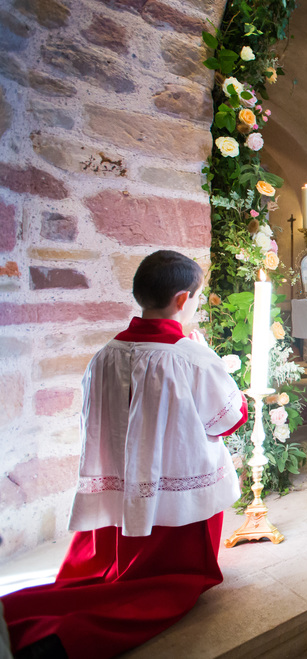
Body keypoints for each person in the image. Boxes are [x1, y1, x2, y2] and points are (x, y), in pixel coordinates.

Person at [2, 250, 247, 659]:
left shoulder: (106, 353)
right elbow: (227, 418)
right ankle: (60, 643)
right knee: (170, 588)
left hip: (119, 492)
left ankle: (17, 615)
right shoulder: (188, 355)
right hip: (174, 505)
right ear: (183, 300)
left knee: (97, 579)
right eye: (198, 300)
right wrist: (211, 360)